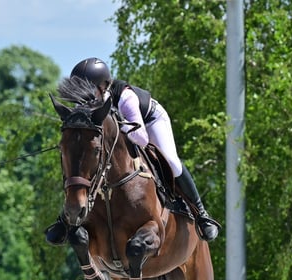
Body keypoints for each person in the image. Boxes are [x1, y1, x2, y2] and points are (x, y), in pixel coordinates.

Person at [45, 57, 220, 245]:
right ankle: (65, 218)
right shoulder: (86, 103)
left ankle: (201, 214)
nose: (82, 98)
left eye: (87, 90)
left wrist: (119, 126)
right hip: (121, 132)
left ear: (103, 86)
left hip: (150, 121)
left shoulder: (125, 98)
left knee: (171, 161)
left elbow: (142, 138)